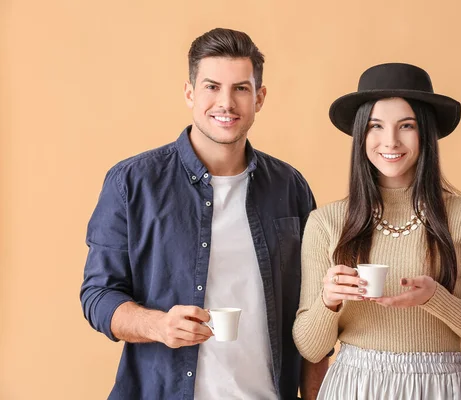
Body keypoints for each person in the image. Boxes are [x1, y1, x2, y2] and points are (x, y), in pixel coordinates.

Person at [80, 28, 328, 400]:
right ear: (189, 93)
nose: (225, 103)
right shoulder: (132, 183)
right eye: (212, 87)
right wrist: (159, 325)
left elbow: (314, 314)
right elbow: (98, 295)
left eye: (241, 88)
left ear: (259, 98)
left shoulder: (290, 187)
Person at [292, 63, 461, 399]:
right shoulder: (327, 222)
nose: (390, 140)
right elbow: (309, 347)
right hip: (353, 387)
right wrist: (328, 301)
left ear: (426, 132)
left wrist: (435, 298)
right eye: (376, 126)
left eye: (406, 126)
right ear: (361, 134)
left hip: (438, 387)